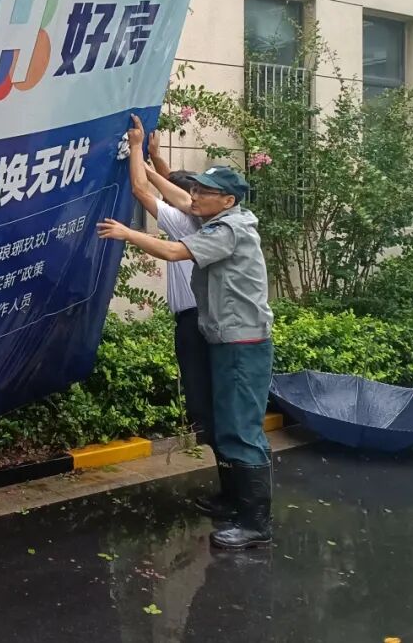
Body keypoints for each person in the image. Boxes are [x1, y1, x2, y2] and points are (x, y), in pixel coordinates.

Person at [98, 165, 274, 550]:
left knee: (241, 428)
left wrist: (128, 232)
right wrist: (146, 159)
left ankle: (255, 523)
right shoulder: (219, 217)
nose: (194, 196)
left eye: (203, 192)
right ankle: (234, 501)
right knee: (223, 423)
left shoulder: (229, 229)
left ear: (226, 200)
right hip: (225, 339)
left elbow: (175, 251)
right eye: (195, 189)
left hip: (242, 344)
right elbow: (177, 197)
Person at [124, 117, 220, 500]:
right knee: (209, 401)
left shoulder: (184, 223)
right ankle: (226, 470)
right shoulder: (205, 222)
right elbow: (175, 187)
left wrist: (135, 150)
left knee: (203, 403)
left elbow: (141, 189)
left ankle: (228, 476)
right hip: (203, 319)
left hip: (194, 324)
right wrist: (155, 157)